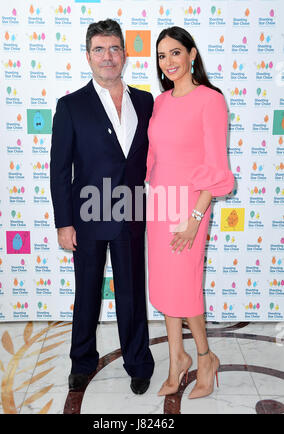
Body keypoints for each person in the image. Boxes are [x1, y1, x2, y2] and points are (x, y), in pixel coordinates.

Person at [50, 19, 154, 395]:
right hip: (88, 215)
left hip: (131, 212)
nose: (107, 57)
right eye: (99, 49)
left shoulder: (145, 100)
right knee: (88, 292)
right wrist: (64, 223)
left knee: (131, 291)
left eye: (114, 48)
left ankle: (139, 362)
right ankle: (82, 361)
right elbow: (59, 170)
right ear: (88, 55)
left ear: (124, 54)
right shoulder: (71, 106)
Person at [146, 26, 234, 399]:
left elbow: (216, 166)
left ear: (192, 54)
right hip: (159, 205)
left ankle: (204, 356)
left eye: (176, 53)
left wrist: (195, 219)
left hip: (190, 206)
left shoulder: (210, 100)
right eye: (162, 56)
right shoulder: (161, 101)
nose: (169, 62)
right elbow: (154, 159)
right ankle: (177, 356)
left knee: (186, 287)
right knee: (168, 288)